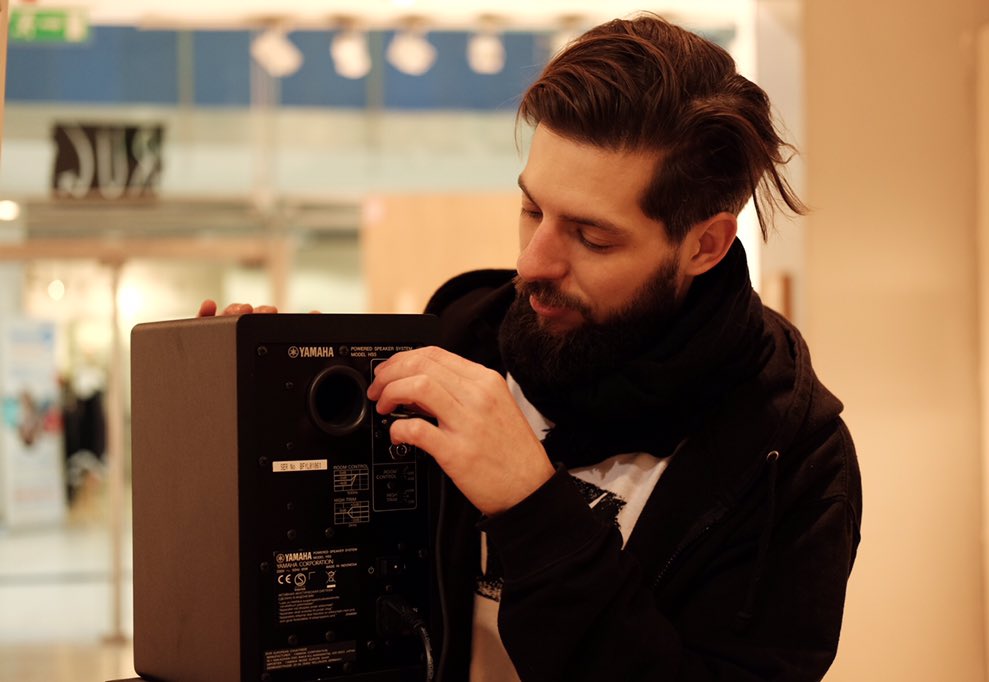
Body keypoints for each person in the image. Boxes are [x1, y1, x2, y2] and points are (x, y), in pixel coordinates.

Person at [203, 14, 861, 681]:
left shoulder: (792, 458)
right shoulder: (459, 347)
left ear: (705, 245)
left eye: (592, 237)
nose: (532, 264)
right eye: (531, 211)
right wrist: (257, 418)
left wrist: (532, 507)